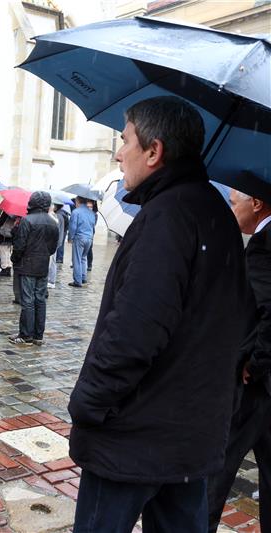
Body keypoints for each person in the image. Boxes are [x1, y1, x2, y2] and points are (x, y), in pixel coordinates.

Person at [68, 96, 248, 532]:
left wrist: (88, 404)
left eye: (125, 139)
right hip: (190, 437)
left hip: (134, 437)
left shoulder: (167, 216)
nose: (118, 151)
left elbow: (134, 332)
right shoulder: (217, 215)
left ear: (154, 151)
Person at [207, 176, 271, 532]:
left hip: (255, 390)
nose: (233, 210)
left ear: (257, 204)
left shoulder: (263, 245)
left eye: (235, 203)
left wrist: (255, 363)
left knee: (218, 469)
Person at [8, 192, 58, 346]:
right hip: (42, 265)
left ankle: (26, 334)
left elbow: (20, 246)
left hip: (27, 265)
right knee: (40, 300)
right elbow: (52, 248)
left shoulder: (27, 221)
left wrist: (14, 258)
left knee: (28, 300)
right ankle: (38, 335)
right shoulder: (53, 222)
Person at [67, 196, 95, 287]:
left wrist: (70, 238)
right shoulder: (92, 213)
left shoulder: (76, 212)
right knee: (84, 258)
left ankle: (77, 281)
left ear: (77, 201)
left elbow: (73, 226)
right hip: (89, 238)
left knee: (77, 259)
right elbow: (93, 226)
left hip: (79, 237)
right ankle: (83, 278)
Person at [0, 213, 16, 277]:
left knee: (3, 252)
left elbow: (1, 222)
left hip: (4, 235)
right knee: (8, 252)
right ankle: (8, 268)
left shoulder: (7, 213)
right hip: (11, 234)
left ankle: (5, 269)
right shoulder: (17, 215)